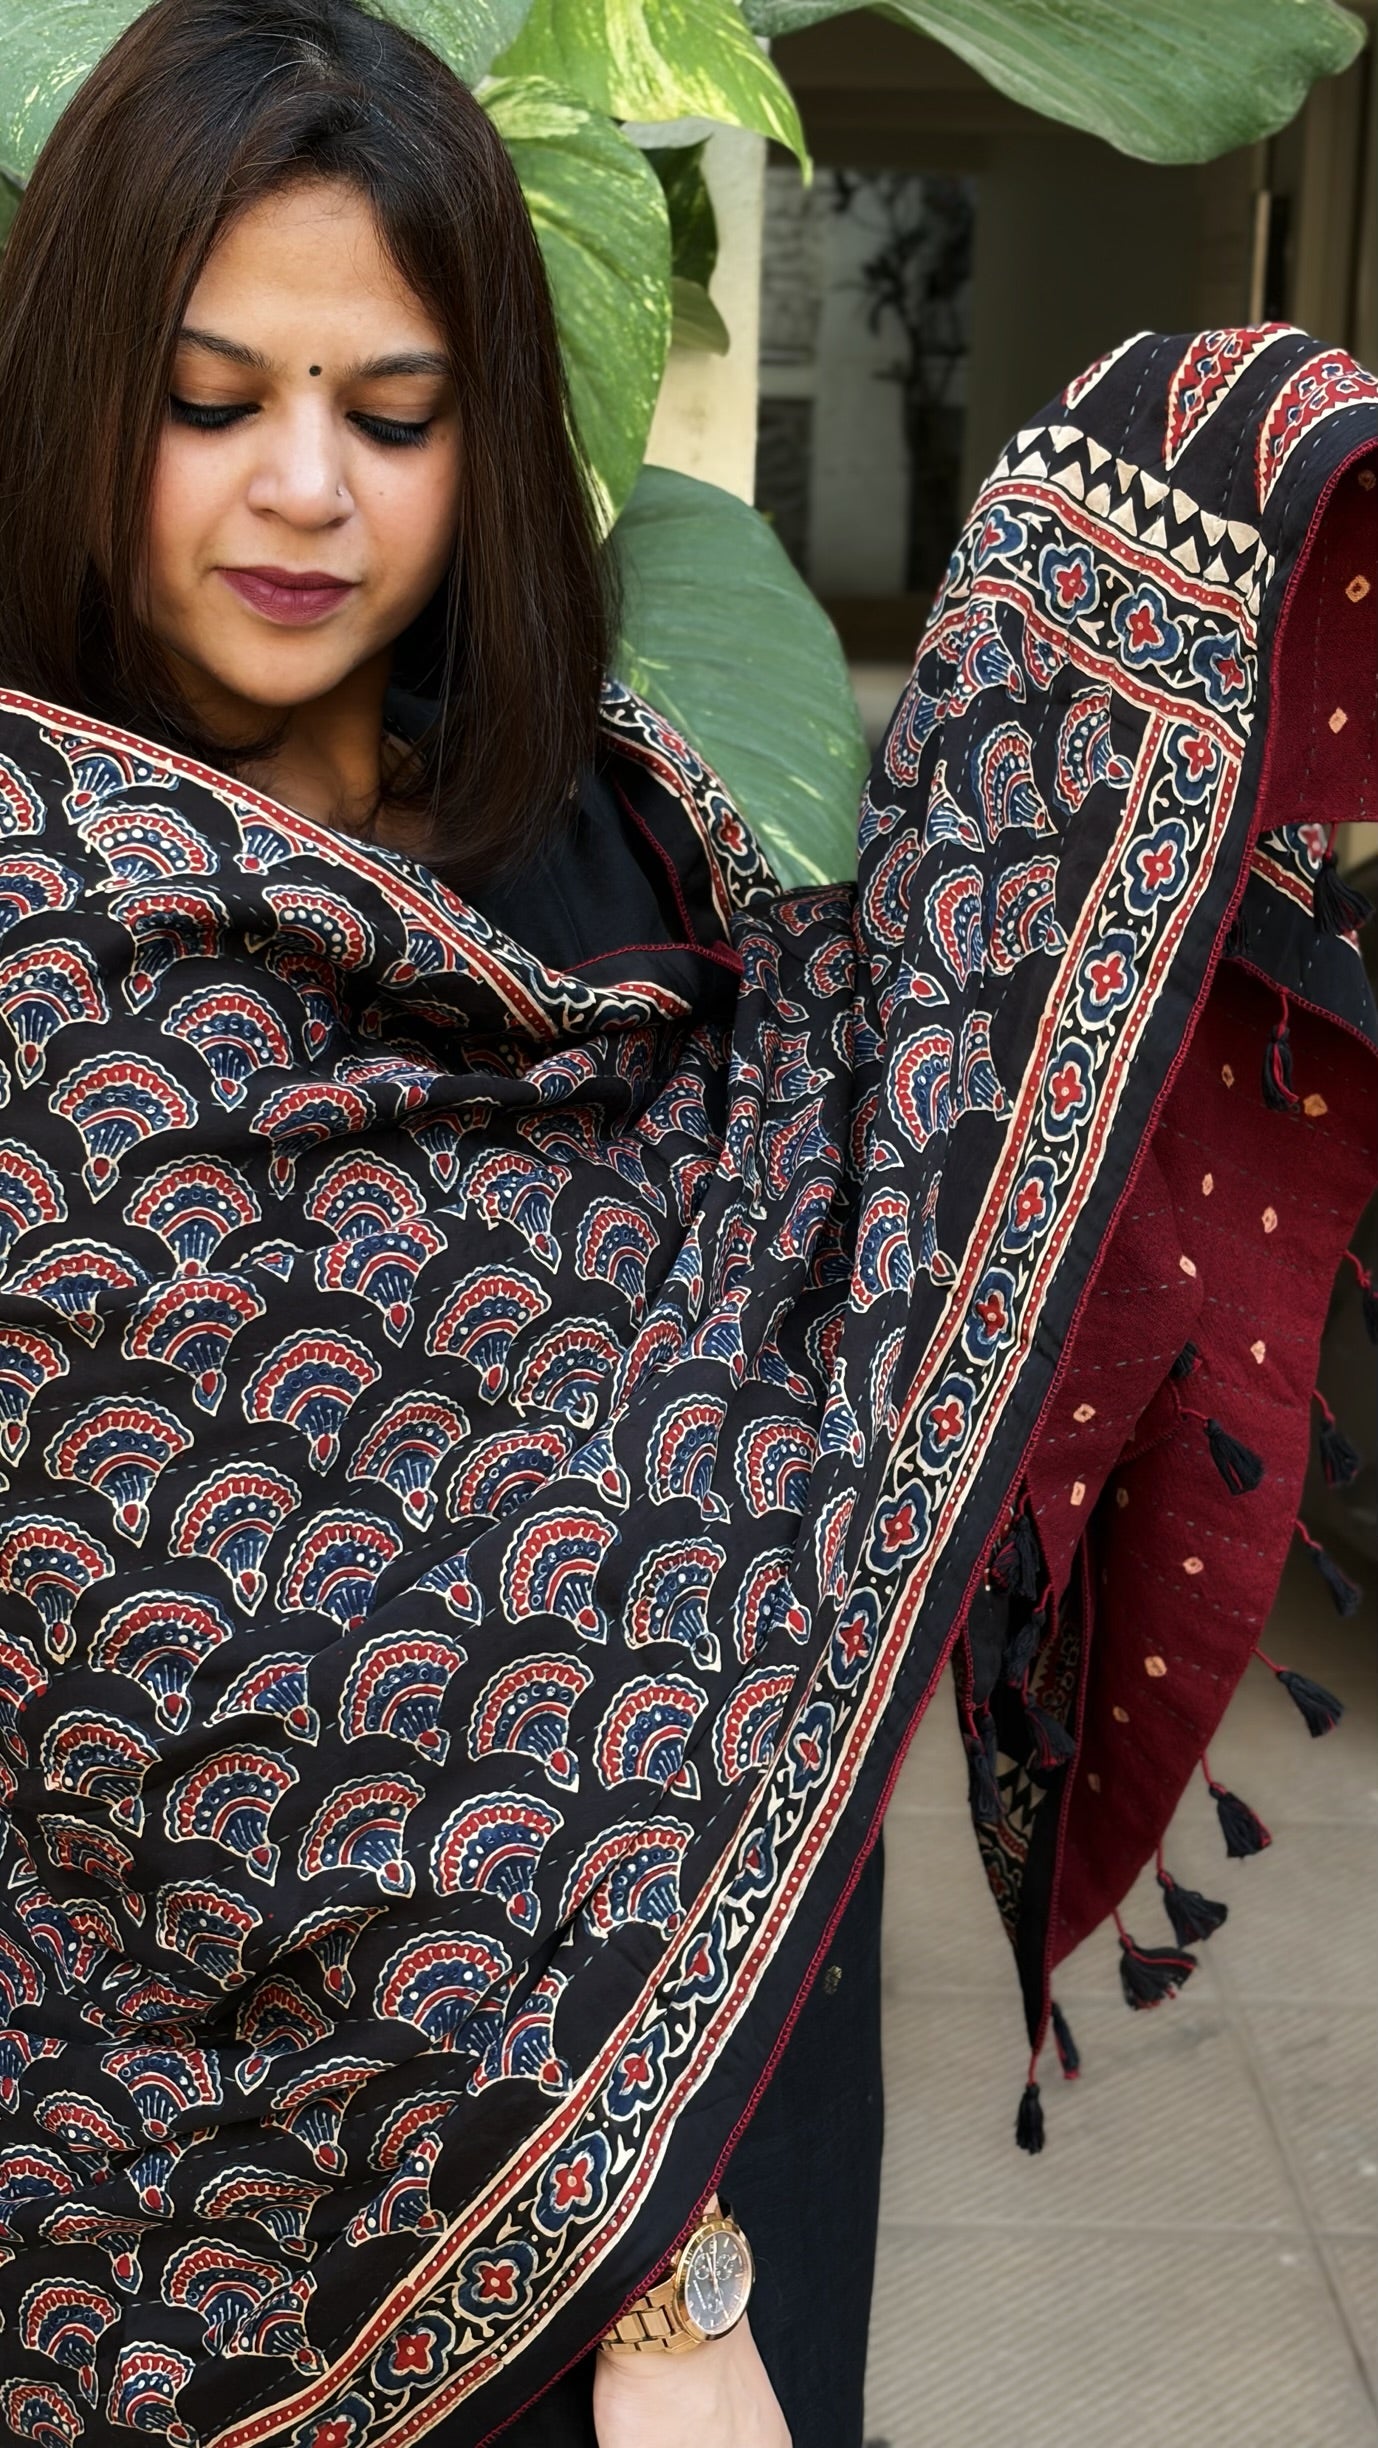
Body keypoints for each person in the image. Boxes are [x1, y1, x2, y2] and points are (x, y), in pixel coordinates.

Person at [0, 7, 1372, 2447]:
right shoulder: (49, 945)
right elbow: (198, 1711)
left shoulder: (605, 836)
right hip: (267, 2182)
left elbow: (820, 1268)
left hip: (739, 2070)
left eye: (391, 414)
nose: (302, 491)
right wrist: (661, 2297)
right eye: (210, 402)